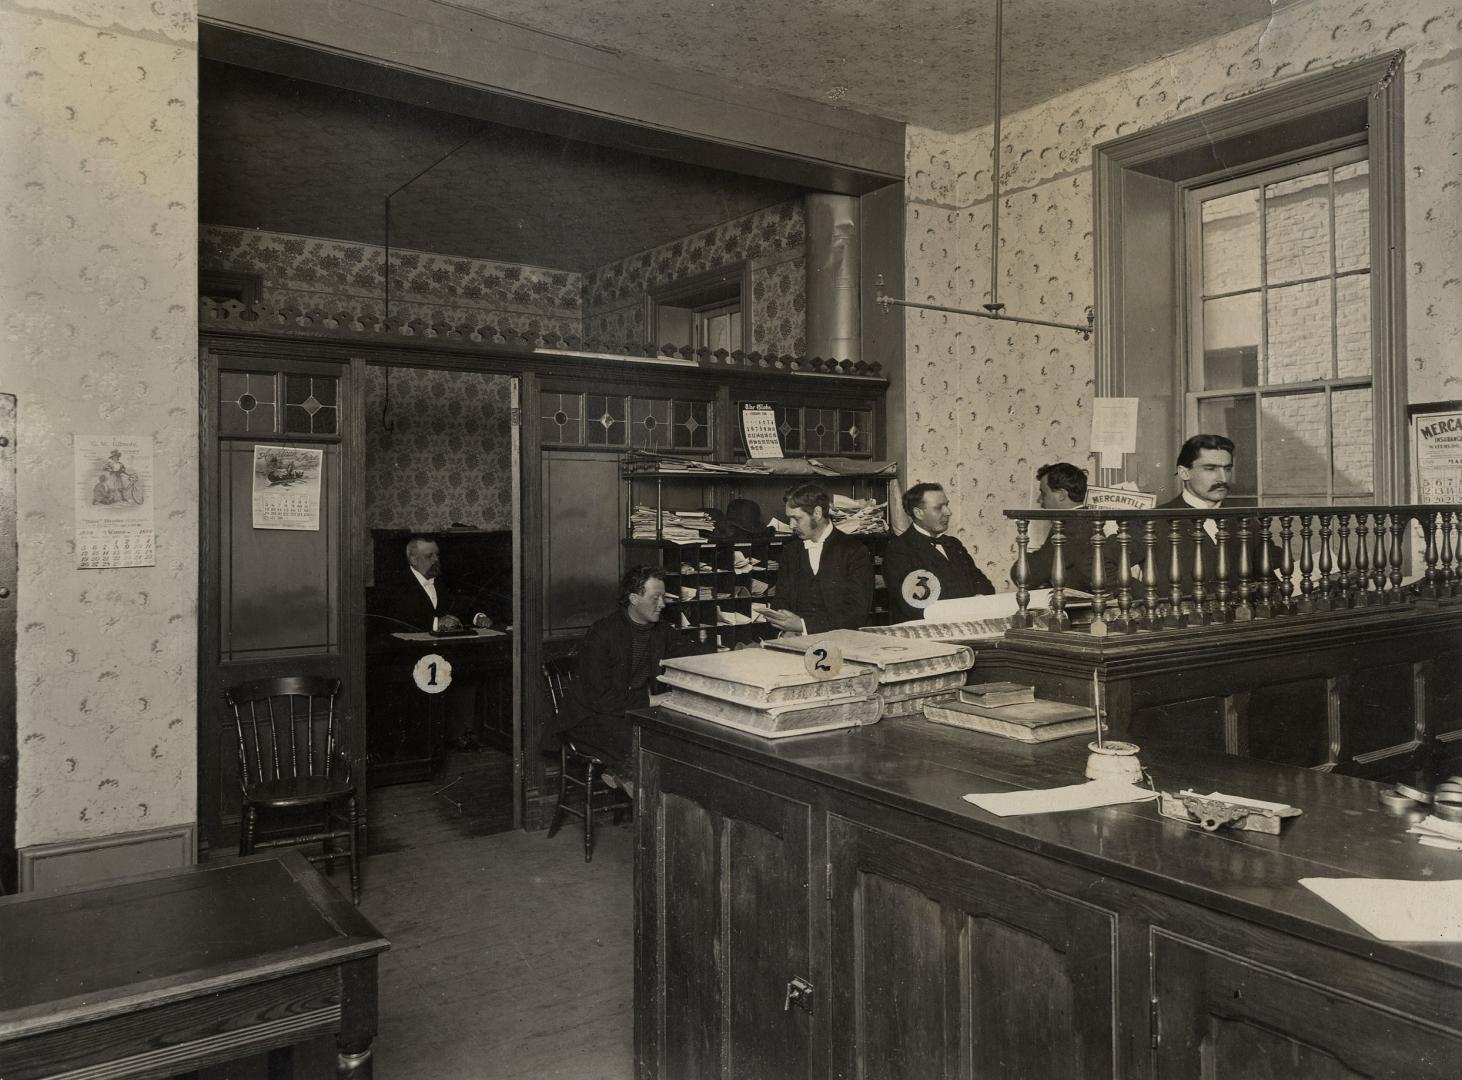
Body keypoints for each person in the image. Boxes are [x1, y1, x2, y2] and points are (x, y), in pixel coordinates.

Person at [543, 565, 688, 789]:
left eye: (664, 597)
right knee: (644, 741)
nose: (662, 604)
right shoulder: (603, 633)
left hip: (626, 712)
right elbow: (600, 699)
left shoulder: (663, 631)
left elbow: (689, 654)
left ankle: (624, 775)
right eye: (656, 597)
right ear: (634, 599)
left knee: (670, 736)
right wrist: (651, 700)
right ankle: (635, 786)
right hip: (588, 717)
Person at [1148, 434, 1284, 596]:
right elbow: (1109, 565)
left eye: (1227, 469)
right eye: (1210, 469)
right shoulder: (1155, 520)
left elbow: (1274, 567)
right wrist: (1150, 599)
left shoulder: (1246, 520)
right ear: (1184, 473)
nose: (1223, 478)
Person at [759, 483, 875, 635]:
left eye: (796, 518)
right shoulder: (790, 550)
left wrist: (802, 626)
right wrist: (784, 629)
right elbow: (781, 600)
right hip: (795, 640)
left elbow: (857, 612)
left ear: (817, 513)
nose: (791, 525)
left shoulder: (854, 550)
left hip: (843, 640)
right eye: (789, 519)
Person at [883, 482, 994, 622]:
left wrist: (977, 605)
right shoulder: (899, 549)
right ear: (918, 513)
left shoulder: (954, 544)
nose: (948, 512)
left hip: (969, 624)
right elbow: (913, 606)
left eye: (946, 505)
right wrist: (967, 609)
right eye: (939, 508)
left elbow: (984, 585)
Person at [1014, 463, 1117, 593]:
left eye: (1043, 493)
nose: (1039, 500)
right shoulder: (1082, 522)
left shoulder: (1072, 528)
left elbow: (1026, 574)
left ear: (1061, 494)